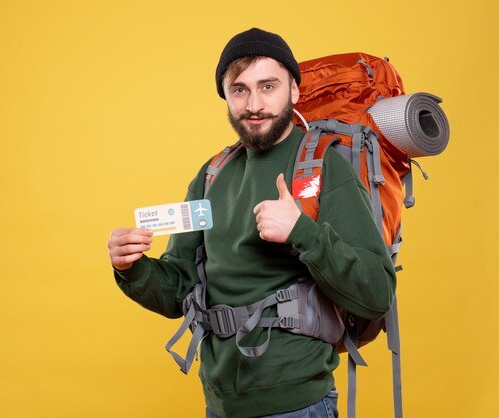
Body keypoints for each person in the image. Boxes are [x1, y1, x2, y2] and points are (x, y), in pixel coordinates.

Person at [108, 28, 396, 418]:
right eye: (239, 89)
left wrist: (301, 231)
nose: (254, 104)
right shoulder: (211, 174)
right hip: (220, 403)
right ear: (226, 97)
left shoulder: (325, 166)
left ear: (293, 90)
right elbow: (178, 290)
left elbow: (377, 293)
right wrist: (131, 268)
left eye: (268, 86)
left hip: (297, 405)